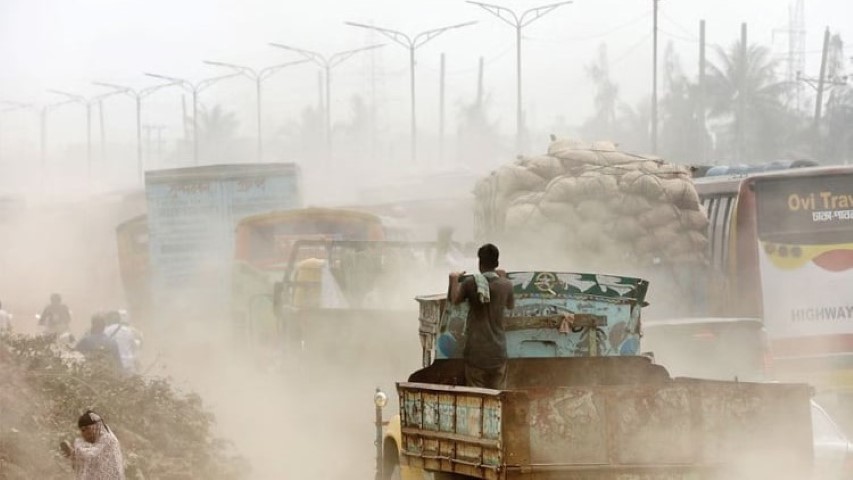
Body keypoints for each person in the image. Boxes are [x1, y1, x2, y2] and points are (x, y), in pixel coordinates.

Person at [449, 243, 515, 390]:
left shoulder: (470, 283)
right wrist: (503, 277)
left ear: (480, 263)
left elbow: (454, 300)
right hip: (498, 352)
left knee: (476, 397)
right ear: (497, 263)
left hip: (476, 353)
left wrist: (453, 279)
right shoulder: (506, 285)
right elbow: (510, 305)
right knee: (498, 397)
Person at [61, 409, 125, 480]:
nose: (85, 433)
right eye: (82, 430)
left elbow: (92, 456)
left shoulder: (108, 440)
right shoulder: (86, 444)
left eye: (87, 428)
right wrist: (73, 457)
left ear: (96, 427)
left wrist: (75, 452)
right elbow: (81, 467)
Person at [102, 310, 143, 375]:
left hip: (113, 366)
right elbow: (135, 347)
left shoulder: (105, 331)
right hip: (128, 364)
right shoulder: (130, 331)